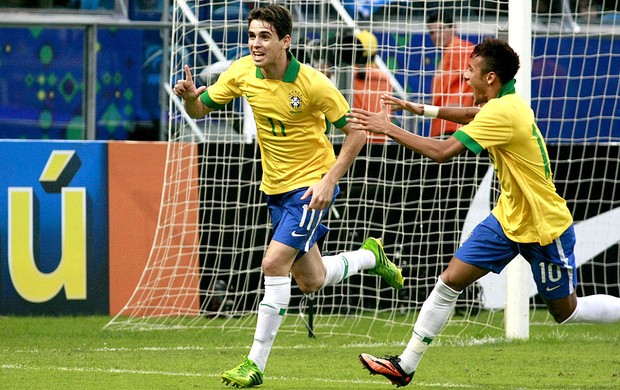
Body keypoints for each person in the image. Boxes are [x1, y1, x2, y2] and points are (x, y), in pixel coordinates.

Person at [346, 37, 620, 387]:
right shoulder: (507, 102)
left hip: (543, 226)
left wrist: (388, 128)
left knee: (566, 313)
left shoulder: (504, 112)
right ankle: (405, 365)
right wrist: (420, 109)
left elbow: (443, 151)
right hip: (507, 219)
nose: (465, 76)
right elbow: (474, 113)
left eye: (471, 71)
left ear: (490, 78)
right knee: (449, 281)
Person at [172, 4, 404, 388]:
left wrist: (329, 181)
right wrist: (189, 97)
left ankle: (254, 363)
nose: (255, 44)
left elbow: (357, 134)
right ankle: (369, 256)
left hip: (310, 188)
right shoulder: (243, 71)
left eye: (264, 36)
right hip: (274, 190)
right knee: (311, 280)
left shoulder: (313, 84)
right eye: (251, 36)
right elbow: (198, 111)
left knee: (273, 263)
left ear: (285, 41)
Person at [426, 10, 475, 137]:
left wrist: (465, 105)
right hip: (445, 123)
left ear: (454, 28)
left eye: (441, 29)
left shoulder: (461, 49)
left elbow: (483, 77)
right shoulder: (449, 52)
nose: (436, 35)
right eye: (432, 32)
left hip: (455, 125)